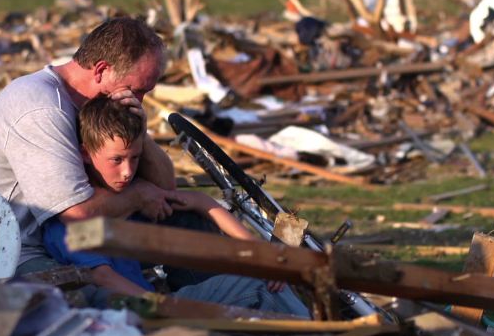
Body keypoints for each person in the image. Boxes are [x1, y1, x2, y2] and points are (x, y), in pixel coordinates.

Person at [42, 95, 311, 317]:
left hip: (160, 302)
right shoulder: (72, 221)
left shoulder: (126, 202)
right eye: (116, 160)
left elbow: (201, 203)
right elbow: (104, 279)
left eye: (134, 158)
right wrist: (164, 306)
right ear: (85, 154)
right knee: (259, 286)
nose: (127, 171)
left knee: (269, 275)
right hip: (138, 312)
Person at [0, 17, 183, 274]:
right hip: (8, 252)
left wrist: (140, 131)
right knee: (99, 294)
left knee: (187, 224)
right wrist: (140, 195)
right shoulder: (41, 108)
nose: (138, 101)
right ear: (100, 70)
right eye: (135, 90)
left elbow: (167, 188)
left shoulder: (103, 110)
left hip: (60, 238)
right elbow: (76, 215)